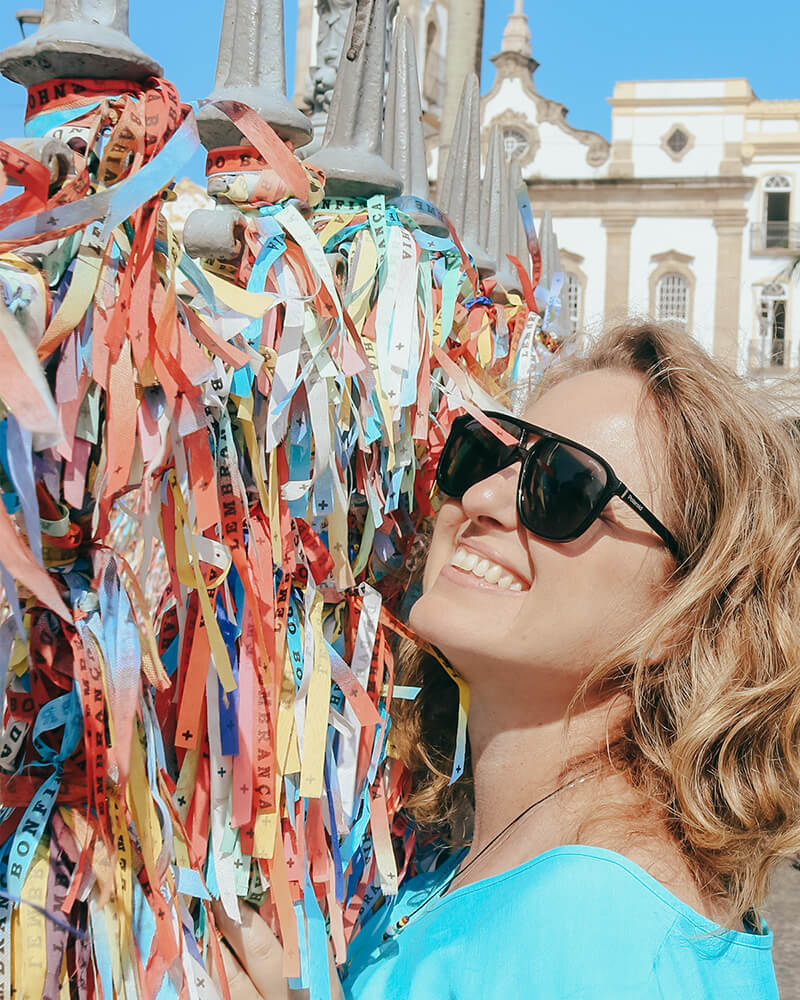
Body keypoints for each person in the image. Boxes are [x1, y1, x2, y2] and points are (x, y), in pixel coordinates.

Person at [214, 323, 798, 998]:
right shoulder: (505, 877)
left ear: (688, 609)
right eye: (484, 456)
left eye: (565, 486)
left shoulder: (591, 931)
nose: (481, 499)